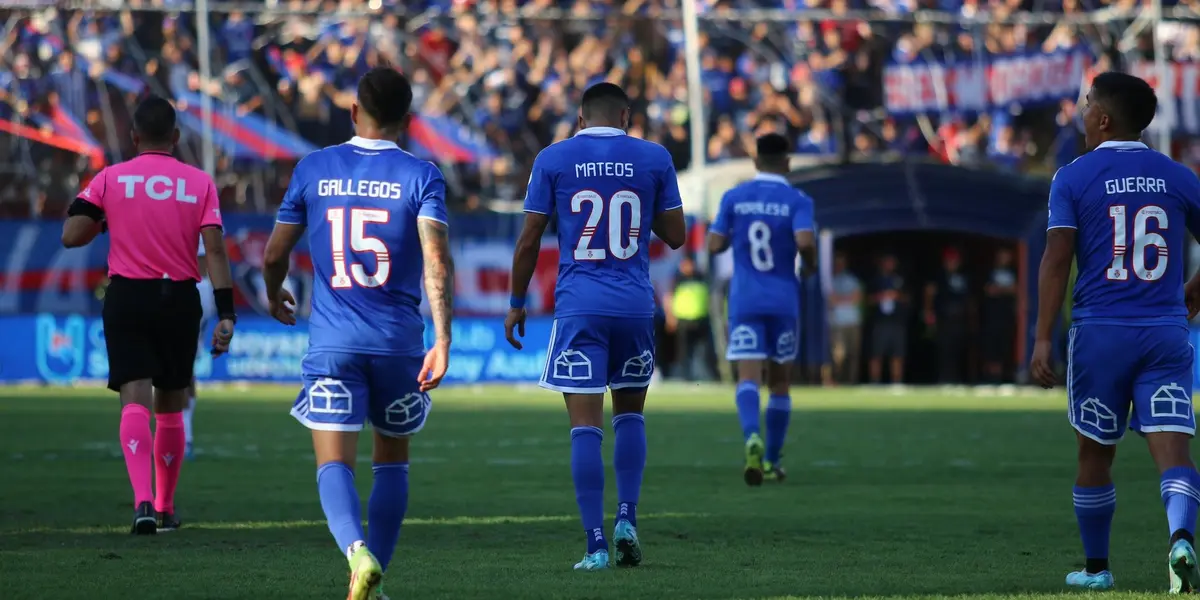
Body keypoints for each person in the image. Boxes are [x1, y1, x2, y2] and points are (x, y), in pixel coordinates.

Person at [261, 67, 453, 600]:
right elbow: (436, 261)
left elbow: (275, 253)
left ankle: (355, 552)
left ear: (353, 111)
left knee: (333, 462)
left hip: (334, 344)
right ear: (407, 120)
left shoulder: (314, 167)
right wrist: (443, 338)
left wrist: (274, 291)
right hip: (398, 344)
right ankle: (378, 578)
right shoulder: (423, 176)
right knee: (392, 461)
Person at [504, 82, 686, 571]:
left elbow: (528, 241)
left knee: (585, 428)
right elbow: (676, 236)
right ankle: (628, 518)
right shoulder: (653, 157)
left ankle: (596, 546)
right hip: (633, 306)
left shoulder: (553, 158)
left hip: (580, 306)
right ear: (626, 116)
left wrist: (517, 303)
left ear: (580, 119)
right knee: (630, 417)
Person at [1032, 71, 1200, 593]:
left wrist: (1041, 338)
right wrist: (1194, 293)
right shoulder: (1177, 175)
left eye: (1086, 106)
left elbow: (1057, 261)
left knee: (1094, 454)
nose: (1082, 115)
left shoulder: (1074, 176)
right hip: (1166, 333)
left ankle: (1098, 569)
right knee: (1173, 451)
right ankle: (1180, 539)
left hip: (1101, 334)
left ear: (1104, 119)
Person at [60, 95, 236, 535]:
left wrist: (106, 216)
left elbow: (71, 235)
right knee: (172, 402)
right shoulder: (199, 183)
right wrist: (227, 312)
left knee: (134, 396)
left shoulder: (111, 179)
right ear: (176, 138)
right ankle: (164, 506)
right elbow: (213, 249)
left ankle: (140, 498)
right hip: (178, 298)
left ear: (134, 137)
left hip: (128, 297)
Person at [706, 133, 816, 487]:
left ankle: (751, 435)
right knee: (780, 383)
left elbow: (713, 244)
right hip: (783, 298)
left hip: (745, 299)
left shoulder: (735, 197)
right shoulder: (798, 199)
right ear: (787, 162)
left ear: (755, 162)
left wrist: (731, 232)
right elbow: (804, 241)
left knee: (748, 377)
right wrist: (809, 265)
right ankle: (771, 460)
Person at [186, 238, 220, 460]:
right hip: (203, 286)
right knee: (184, 367)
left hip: (185, 285)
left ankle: (182, 435)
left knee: (175, 367)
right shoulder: (208, 207)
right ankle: (184, 434)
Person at [867, 254, 907, 384]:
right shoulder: (874, 280)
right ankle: (874, 382)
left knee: (897, 355)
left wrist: (897, 296)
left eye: (892, 262)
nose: (890, 264)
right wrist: (880, 296)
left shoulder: (900, 279)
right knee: (876, 354)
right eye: (887, 261)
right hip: (879, 322)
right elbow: (866, 300)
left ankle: (896, 383)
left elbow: (909, 298)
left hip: (896, 322)